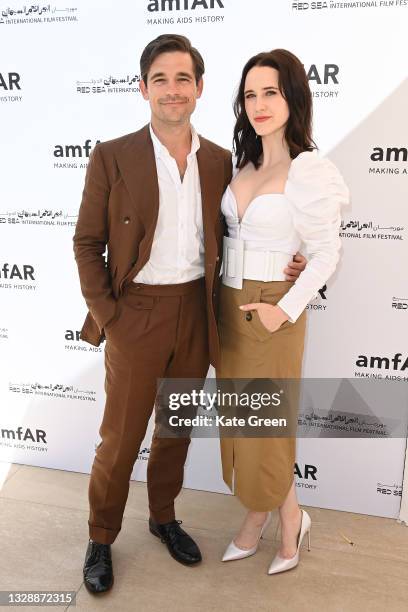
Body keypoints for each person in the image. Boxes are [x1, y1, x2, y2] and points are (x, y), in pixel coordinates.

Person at [73, 35, 306, 594]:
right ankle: (101, 536)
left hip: (198, 314)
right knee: (120, 437)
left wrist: (293, 263)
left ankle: (162, 518)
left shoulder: (223, 162)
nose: (172, 91)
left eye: (183, 79)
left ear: (200, 88)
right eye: (160, 79)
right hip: (137, 315)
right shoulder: (113, 155)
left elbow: (249, 228)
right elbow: (86, 244)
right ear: (143, 88)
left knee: (174, 429)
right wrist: (113, 317)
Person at [217, 49, 349, 574]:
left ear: (293, 96)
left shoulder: (308, 168)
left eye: (270, 91)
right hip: (229, 308)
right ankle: (286, 513)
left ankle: (267, 520)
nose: (259, 104)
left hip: (273, 310)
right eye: (250, 94)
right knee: (245, 423)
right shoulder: (243, 163)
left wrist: (285, 310)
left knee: (265, 426)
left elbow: (326, 253)